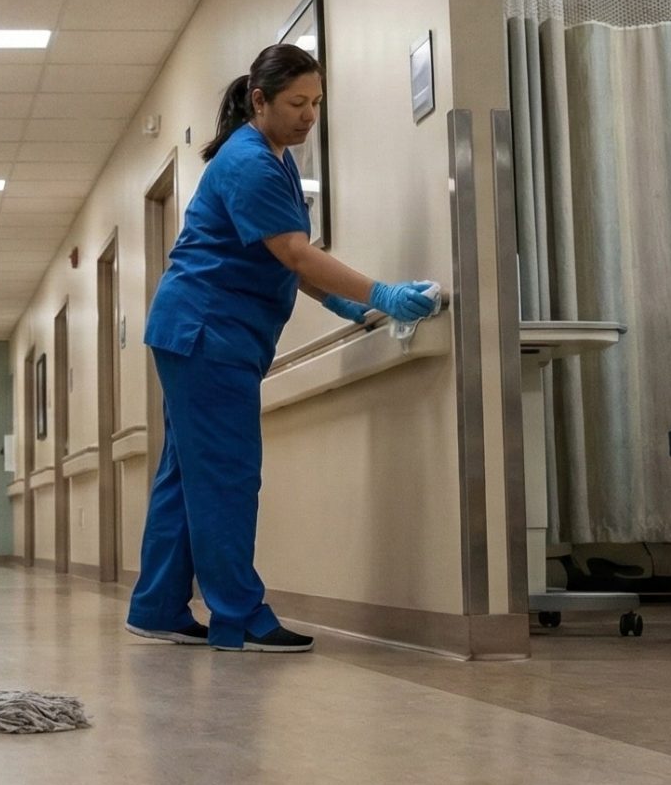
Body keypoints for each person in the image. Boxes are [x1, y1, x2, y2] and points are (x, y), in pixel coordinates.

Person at [125, 43, 443, 653]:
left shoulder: (274, 159)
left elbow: (282, 259)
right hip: (207, 335)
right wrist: (383, 292)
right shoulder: (250, 162)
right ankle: (238, 615)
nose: (309, 116)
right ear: (259, 99)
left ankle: (160, 606)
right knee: (227, 477)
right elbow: (298, 253)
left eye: (317, 103)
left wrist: (350, 303)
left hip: (197, 334)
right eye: (298, 103)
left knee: (186, 477)